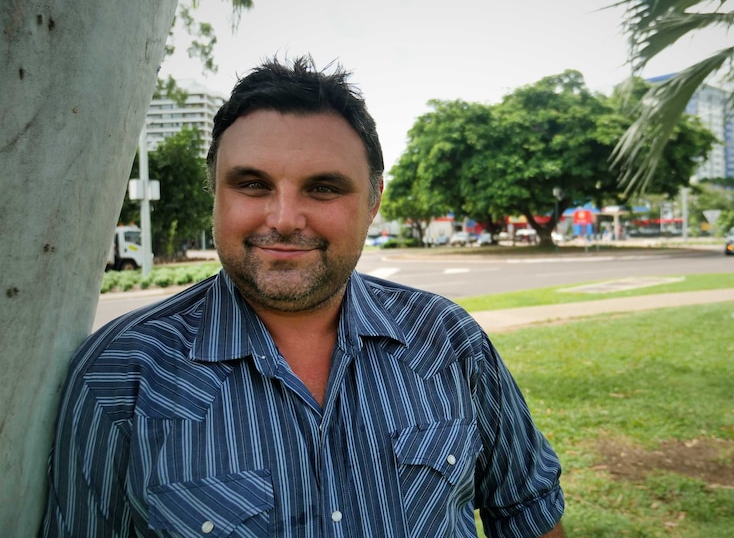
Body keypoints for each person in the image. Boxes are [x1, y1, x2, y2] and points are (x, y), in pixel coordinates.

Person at [41, 56, 566, 537]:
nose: (285, 219)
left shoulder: (448, 339)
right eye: (251, 184)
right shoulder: (117, 376)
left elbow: (526, 510)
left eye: (323, 188)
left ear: (374, 199)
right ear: (215, 192)